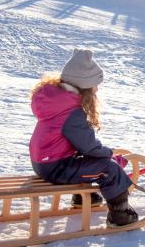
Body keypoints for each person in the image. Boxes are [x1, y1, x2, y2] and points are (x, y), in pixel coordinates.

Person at [29, 49, 138, 227]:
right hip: (56, 168)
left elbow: (81, 145)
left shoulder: (57, 100)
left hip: (43, 162)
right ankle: (121, 216)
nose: (96, 90)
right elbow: (89, 147)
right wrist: (109, 155)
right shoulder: (71, 111)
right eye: (95, 86)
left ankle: (84, 199)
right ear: (84, 87)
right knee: (109, 169)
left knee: (87, 159)